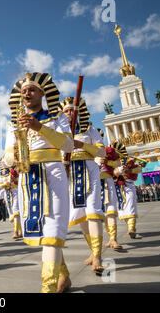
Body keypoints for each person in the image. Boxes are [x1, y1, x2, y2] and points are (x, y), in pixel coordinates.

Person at [2, 72, 74, 293]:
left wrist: (39, 127)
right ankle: (65, 277)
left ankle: (48, 288)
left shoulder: (57, 117)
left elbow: (69, 145)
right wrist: (14, 154)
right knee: (44, 234)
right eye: (24, 90)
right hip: (28, 177)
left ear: (42, 93)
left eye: (32, 89)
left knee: (52, 231)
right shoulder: (14, 122)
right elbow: (6, 157)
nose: (27, 93)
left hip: (53, 174)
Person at [59, 97, 106, 275]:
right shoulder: (60, 131)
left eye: (73, 110)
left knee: (93, 212)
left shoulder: (89, 129)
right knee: (81, 216)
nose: (70, 113)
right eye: (66, 111)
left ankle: (98, 256)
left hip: (90, 171)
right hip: (71, 176)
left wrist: (81, 145)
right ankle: (93, 251)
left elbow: (102, 151)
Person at [95, 129, 123, 250]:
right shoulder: (87, 149)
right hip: (94, 183)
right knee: (95, 215)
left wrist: (108, 162)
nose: (99, 138)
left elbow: (118, 162)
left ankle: (113, 238)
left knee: (110, 209)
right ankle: (96, 247)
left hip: (107, 180)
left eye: (101, 136)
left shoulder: (109, 150)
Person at [0, 159, 22, 239]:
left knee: (16, 209)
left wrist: (14, 181)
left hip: (15, 191)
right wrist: (5, 184)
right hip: (7, 193)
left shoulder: (14, 170)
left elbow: (20, 180)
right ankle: (20, 230)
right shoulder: (1, 173)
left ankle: (16, 231)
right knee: (11, 211)